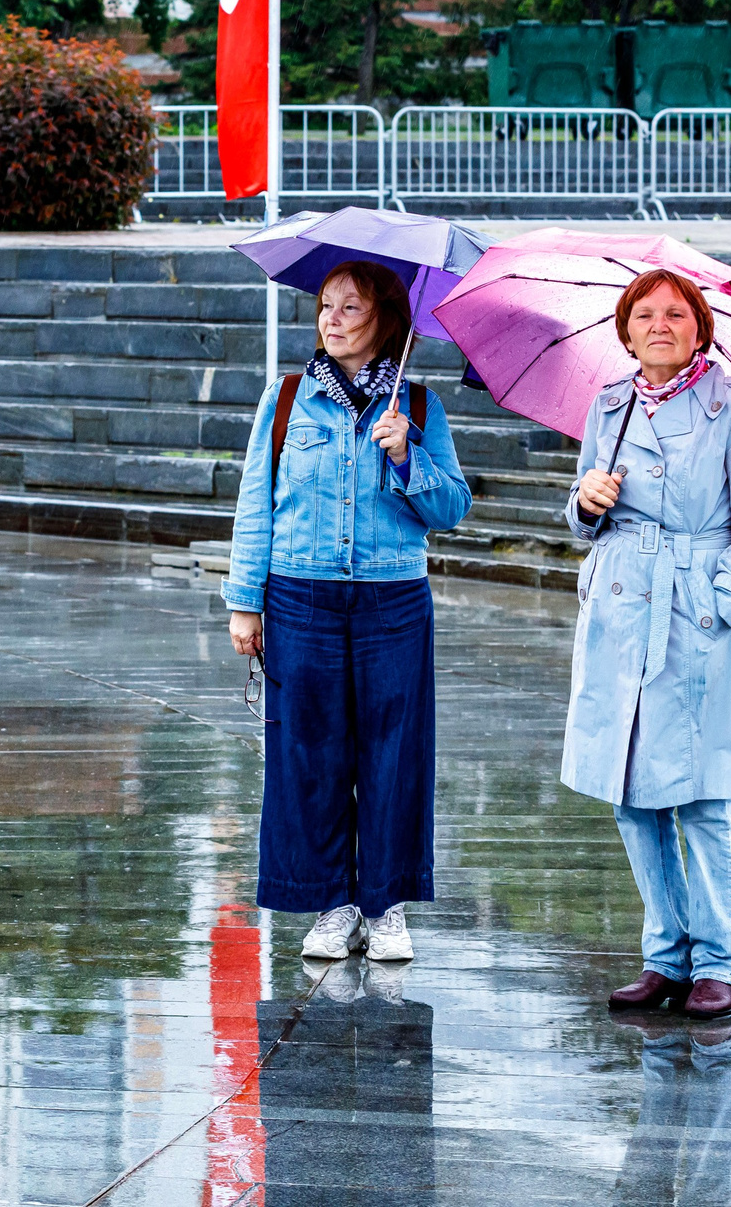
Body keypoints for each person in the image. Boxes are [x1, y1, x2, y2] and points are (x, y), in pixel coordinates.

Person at [226, 260, 472, 964]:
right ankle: (332, 901)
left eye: (350, 307)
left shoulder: (417, 408)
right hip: (300, 597)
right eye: (326, 307)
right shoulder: (286, 400)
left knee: (394, 754)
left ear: (386, 320)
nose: (332, 319)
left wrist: (409, 458)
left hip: (393, 601)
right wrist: (246, 603)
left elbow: (451, 506)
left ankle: (384, 903)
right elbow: (255, 504)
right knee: (309, 753)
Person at [563, 270, 731, 1022]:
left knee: (700, 797)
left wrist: (719, 602)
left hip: (693, 612)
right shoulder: (610, 405)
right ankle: (665, 956)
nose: (660, 324)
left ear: (700, 327)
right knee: (631, 795)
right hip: (620, 611)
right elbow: (584, 512)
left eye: (676, 313)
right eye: (645, 314)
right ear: (625, 330)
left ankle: (717, 958)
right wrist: (585, 503)